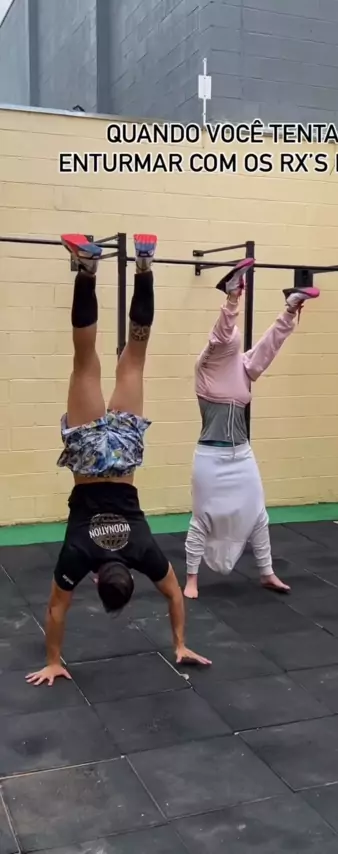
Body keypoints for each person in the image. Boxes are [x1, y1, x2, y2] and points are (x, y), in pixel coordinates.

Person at [26, 233, 211, 687]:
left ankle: (144, 267)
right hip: (90, 458)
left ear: (128, 574)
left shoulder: (144, 552)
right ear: (95, 580)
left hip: (125, 456)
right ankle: (87, 270)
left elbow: (174, 596)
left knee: (135, 358)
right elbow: (56, 609)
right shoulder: (78, 555)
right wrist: (53, 660)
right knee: (84, 359)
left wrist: (181, 643)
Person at [183, 258, 320, 599]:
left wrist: (290, 313)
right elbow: (221, 337)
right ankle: (191, 580)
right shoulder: (206, 368)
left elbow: (270, 345)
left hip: (241, 455)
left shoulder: (244, 369)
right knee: (202, 518)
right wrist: (232, 301)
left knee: (259, 513)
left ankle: (267, 573)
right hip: (211, 458)